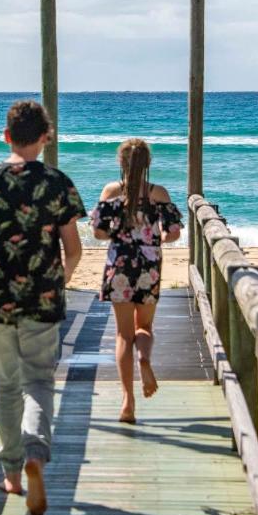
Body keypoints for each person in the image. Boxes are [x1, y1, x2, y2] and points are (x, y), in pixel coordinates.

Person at [0, 100, 85, 515]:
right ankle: (35, 451)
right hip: (43, 299)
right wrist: (58, 281)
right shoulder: (58, 183)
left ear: (7, 135)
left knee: (7, 386)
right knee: (40, 383)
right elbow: (74, 250)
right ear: (46, 138)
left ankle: (11, 471)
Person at [91, 138, 183, 423]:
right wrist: (156, 239)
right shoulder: (158, 193)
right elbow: (175, 232)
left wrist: (118, 236)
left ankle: (128, 401)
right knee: (143, 327)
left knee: (122, 335)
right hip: (149, 263)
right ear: (148, 164)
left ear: (121, 163)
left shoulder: (111, 192)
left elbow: (98, 232)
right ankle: (145, 359)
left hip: (119, 263)